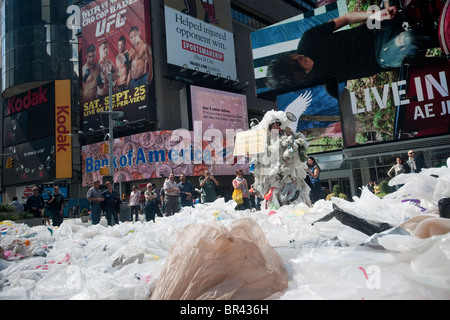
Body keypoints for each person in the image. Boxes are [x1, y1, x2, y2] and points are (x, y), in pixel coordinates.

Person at [265, 6, 437, 89]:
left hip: (374, 30)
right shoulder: (318, 81)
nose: (297, 57)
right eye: (295, 65)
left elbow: (346, 19)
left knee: (416, 8)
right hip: (380, 57)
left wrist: (374, 15)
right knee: (409, 39)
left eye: (291, 57)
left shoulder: (308, 39)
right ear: (295, 77)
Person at [128, 26, 153, 91]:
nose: (133, 38)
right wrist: (127, 84)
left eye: (135, 35)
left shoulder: (145, 46)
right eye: (131, 37)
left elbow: (151, 66)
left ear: (139, 33)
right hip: (132, 81)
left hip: (142, 79)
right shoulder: (131, 49)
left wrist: (147, 82)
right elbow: (130, 69)